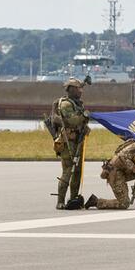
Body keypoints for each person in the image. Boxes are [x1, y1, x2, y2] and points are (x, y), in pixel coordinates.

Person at [85, 132, 135, 210]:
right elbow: (123, 157)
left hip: (123, 171)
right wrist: (133, 168)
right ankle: (96, 201)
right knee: (124, 203)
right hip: (114, 173)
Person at [49, 78, 90, 210]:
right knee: (68, 171)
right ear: (72, 89)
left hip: (77, 141)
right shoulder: (66, 104)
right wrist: (84, 116)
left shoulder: (76, 103)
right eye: (78, 89)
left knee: (77, 172)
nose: (81, 91)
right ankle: (60, 201)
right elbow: (72, 121)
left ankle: (73, 199)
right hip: (68, 143)